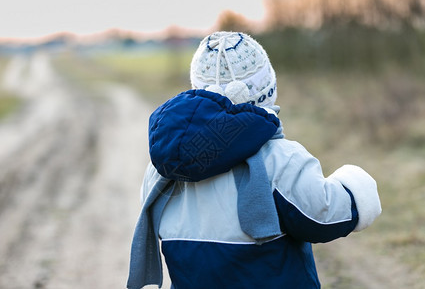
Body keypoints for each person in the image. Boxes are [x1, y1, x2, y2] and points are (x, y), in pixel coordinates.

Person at [127, 32, 382, 289]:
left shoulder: (164, 169)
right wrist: (354, 185)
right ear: (266, 92)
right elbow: (323, 216)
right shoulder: (279, 158)